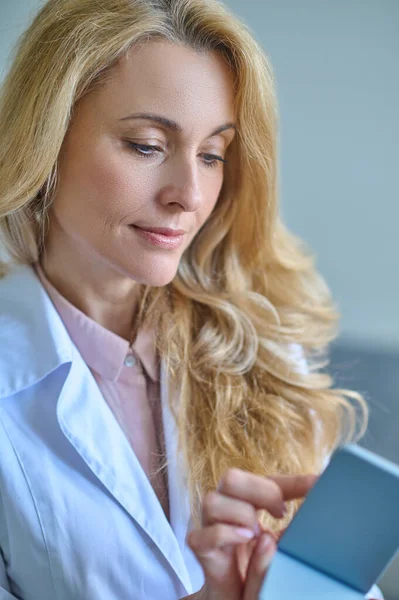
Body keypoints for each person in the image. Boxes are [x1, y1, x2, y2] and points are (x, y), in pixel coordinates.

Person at [0, 0, 383, 598]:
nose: (189, 195)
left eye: (212, 155)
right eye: (148, 146)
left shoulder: (266, 354)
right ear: (47, 138)